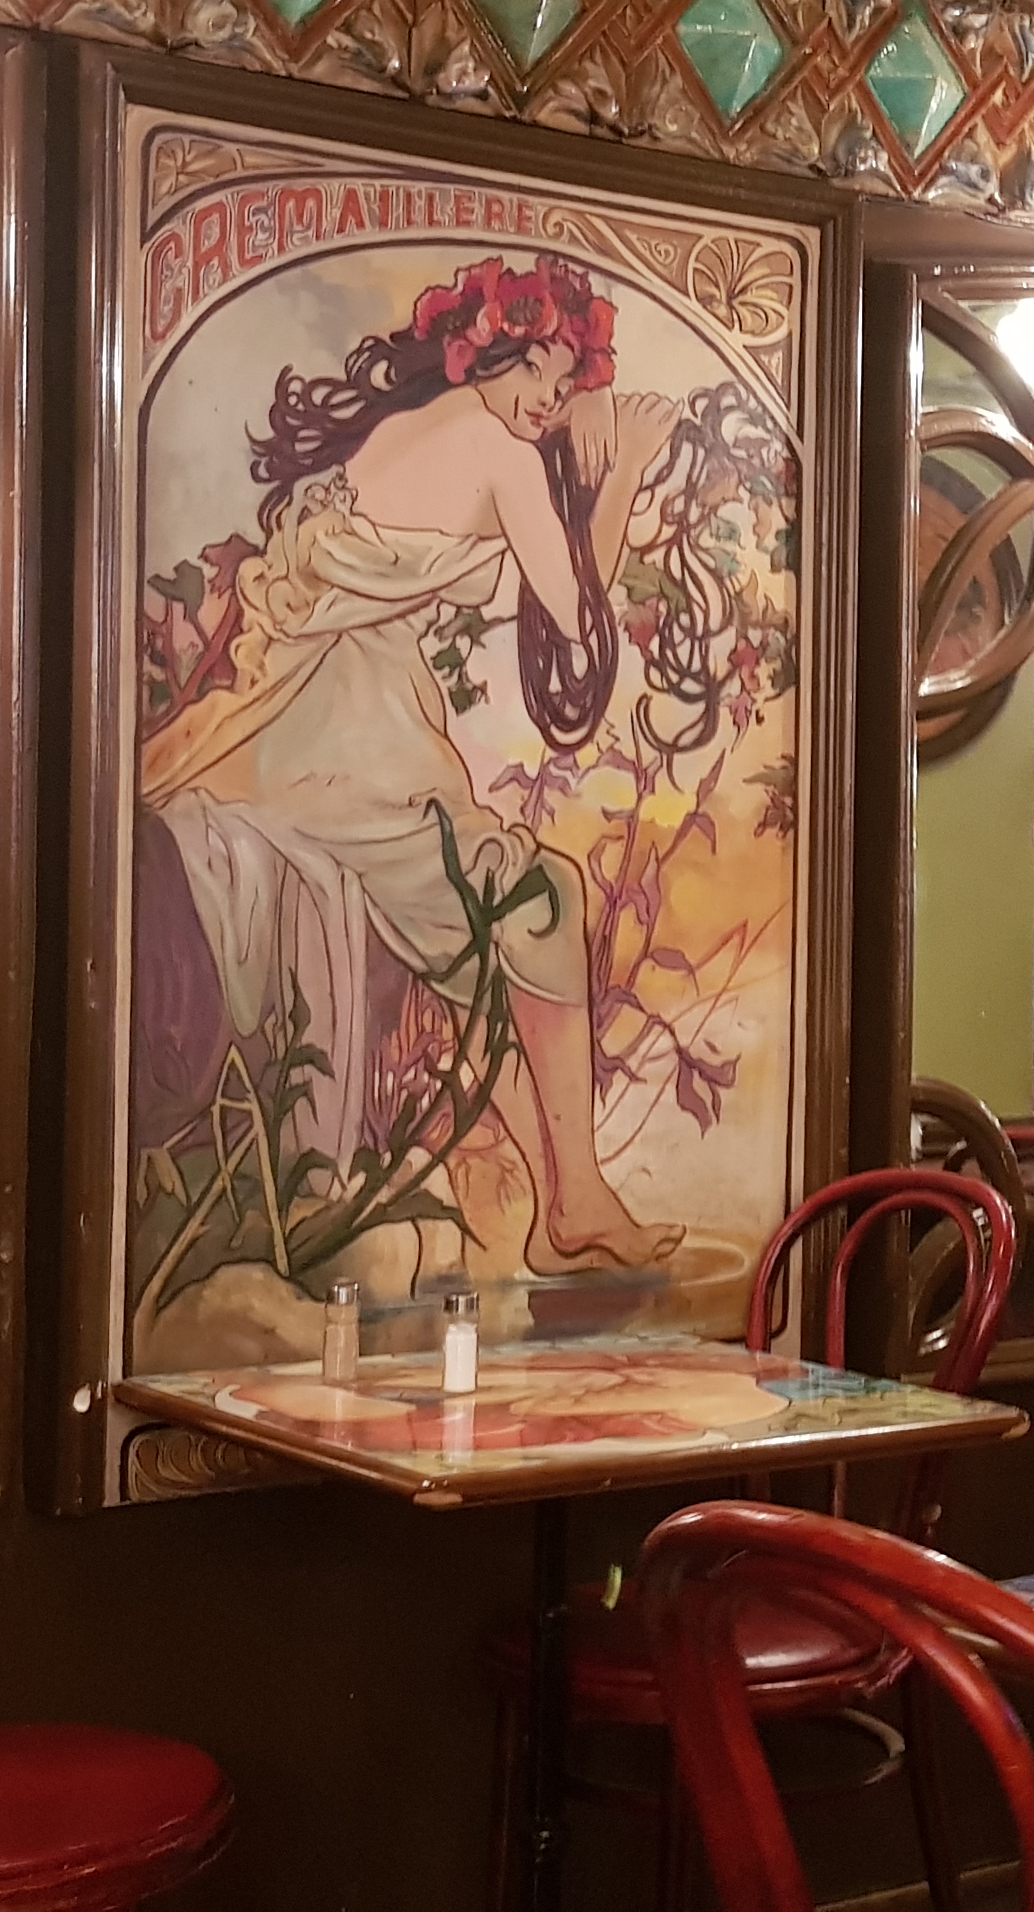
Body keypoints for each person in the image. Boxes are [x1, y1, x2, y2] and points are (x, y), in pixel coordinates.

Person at [140, 254, 684, 1273]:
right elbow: (577, 619)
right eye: (534, 372)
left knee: (491, 935)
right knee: (539, 900)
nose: (546, 400)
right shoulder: (496, 449)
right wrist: (626, 472)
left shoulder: (424, 430)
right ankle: (578, 1198)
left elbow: (512, 589)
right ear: (483, 355)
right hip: (340, 746)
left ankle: (572, 1201)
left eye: (563, 382)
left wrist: (588, 427)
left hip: (331, 724)